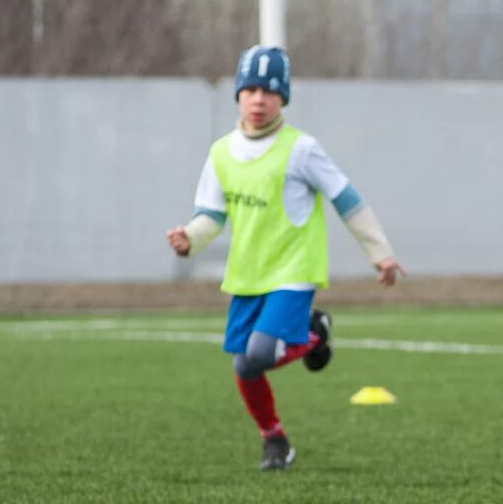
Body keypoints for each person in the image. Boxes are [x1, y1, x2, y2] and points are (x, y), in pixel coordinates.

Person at [165, 45, 403, 472]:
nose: (259, 99)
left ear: (284, 98)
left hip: (294, 270)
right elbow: (212, 215)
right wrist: (190, 238)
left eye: (270, 91)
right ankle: (275, 439)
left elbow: (346, 199)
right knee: (244, 365)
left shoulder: (301, 149)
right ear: (238, 94)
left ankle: (313, 335)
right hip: (249, 274)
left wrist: (379, 253)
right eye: (251, 89)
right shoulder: (221, 152)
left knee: (258, 353)